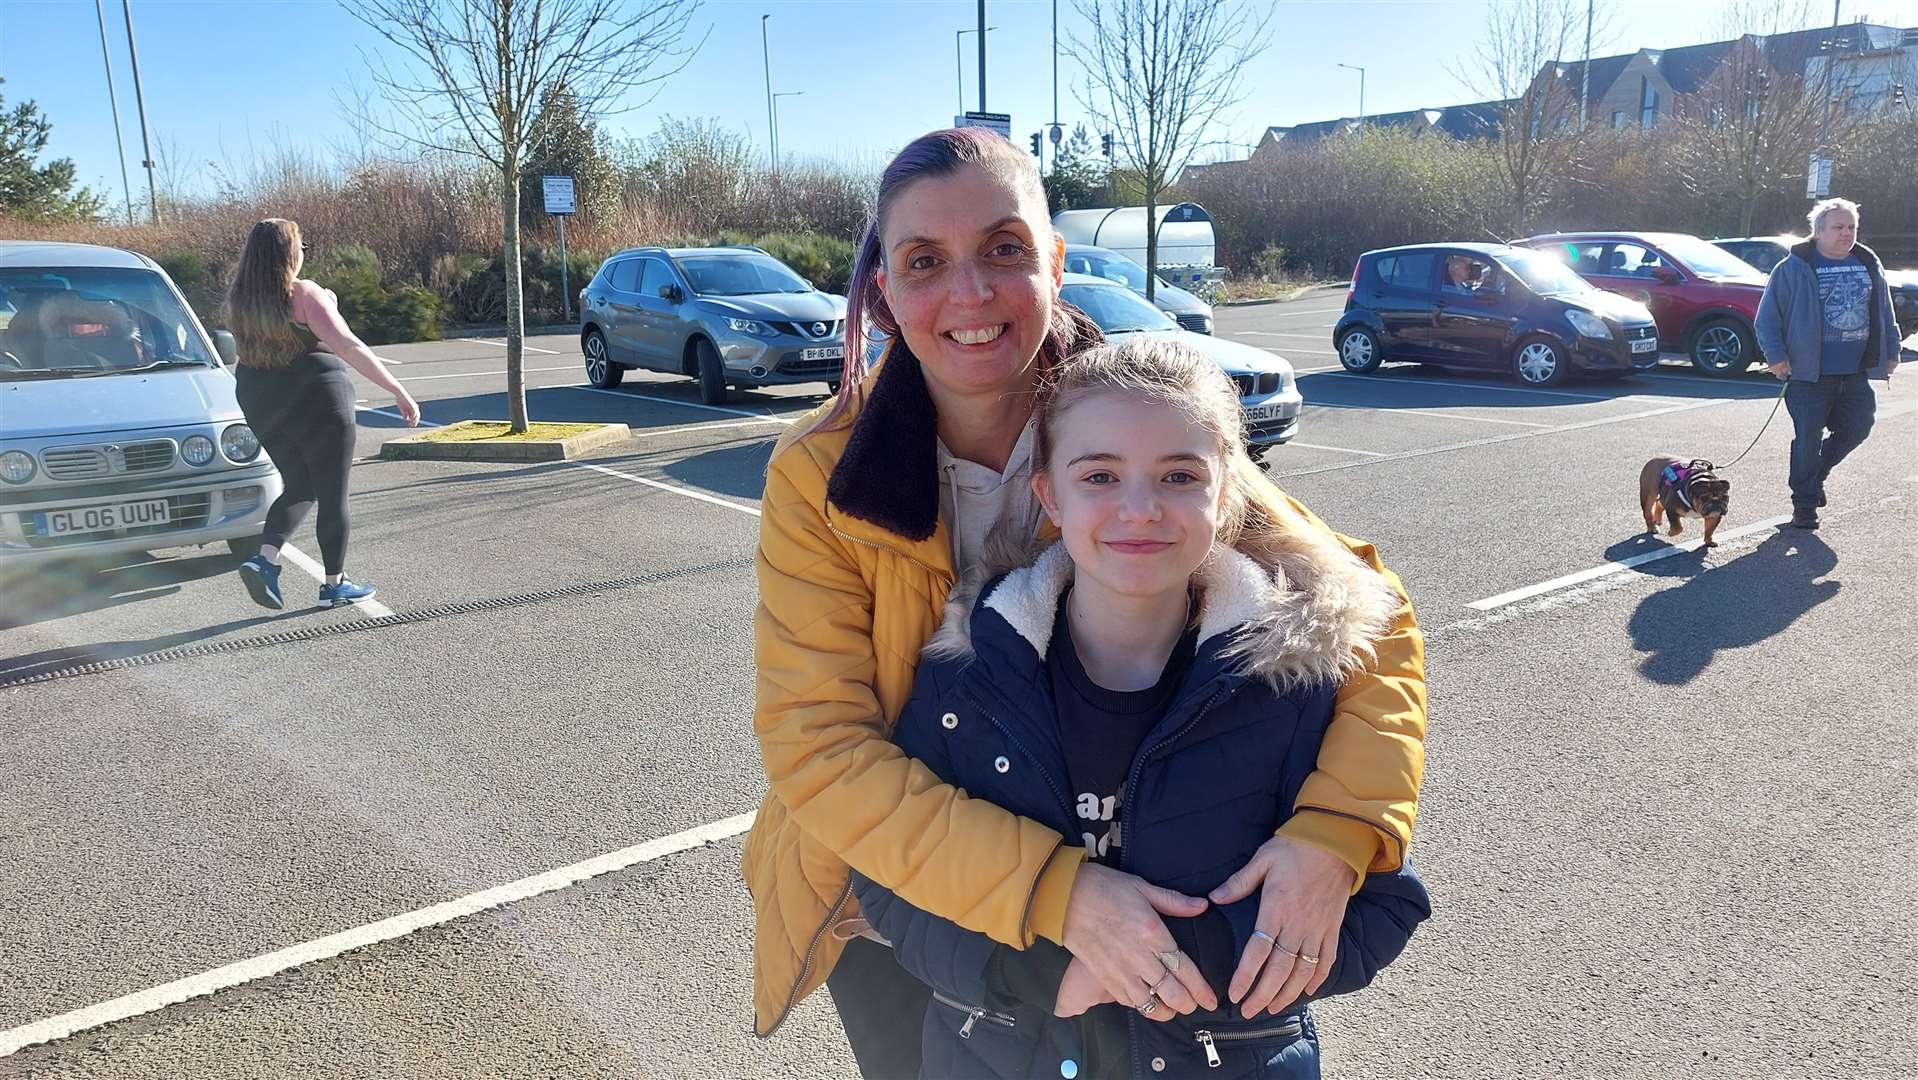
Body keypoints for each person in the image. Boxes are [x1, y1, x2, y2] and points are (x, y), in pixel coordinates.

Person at [741, 128, 1428, 1078]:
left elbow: (1363, 613)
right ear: (885, 293)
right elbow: (819, 747)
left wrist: (1336, 835)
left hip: (1146, 891)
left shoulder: (1131, 417)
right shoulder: (819, 477)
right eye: (926, 261)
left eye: (1005, 249)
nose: (971, 292)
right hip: (911, 907)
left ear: (1056, 263)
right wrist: (1055, 894)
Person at [850, 336, 1431, 1078]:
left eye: (1179, 475)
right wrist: (1048, 975)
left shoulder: (1293, 684)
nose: (1139, 508)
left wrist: (1179, 961)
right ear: (1050, 495)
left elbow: (1383, 907)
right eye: (1099, 475)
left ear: (1227, 498)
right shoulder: (971, 670)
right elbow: (889, 880)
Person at [224, 219, 419, 609]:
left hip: (262, 402)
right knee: (332, 493)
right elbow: (348, 345)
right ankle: (334, 583)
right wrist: (397, 390)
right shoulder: (304, 293)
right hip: (318, 399)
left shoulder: (238, 302)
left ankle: (265, 560)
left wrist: (324, 305)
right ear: (289, 253)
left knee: (299, 484)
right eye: (301, 246)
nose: (303, 253)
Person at [1755, 197, 1901, 531]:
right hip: (1809, 374)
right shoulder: (1792, 267)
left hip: (1854, 371)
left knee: (1858, 427)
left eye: (1851, 227)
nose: (1846, 233)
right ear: (1818, 231)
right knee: (1807, 437)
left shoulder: (1867, 262)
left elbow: (1884, 312)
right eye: (1838, 227)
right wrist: (1776, 357)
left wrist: (1890, 352)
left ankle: (1815, 473)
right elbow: (1766, 319)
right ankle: (1804, 504)